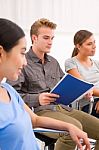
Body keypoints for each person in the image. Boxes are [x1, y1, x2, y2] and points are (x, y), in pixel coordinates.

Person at [6, 18, 99, 150]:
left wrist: (82, 92)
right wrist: (37, 98)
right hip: (40, 112)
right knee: (72, 129)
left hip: (63, 108)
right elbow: (11, 96)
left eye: (52, 38)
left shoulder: (53, 62)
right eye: (46, 38)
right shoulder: (22, 61)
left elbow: (66, 84)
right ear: (34, 38)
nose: (50, 42)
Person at [65, 30, 99, 118]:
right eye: (89, 44)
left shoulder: (97, 63)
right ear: (78, 46)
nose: (94, 46)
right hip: (88, 104)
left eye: (94, 42)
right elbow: (84, 87)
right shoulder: (71, 63)